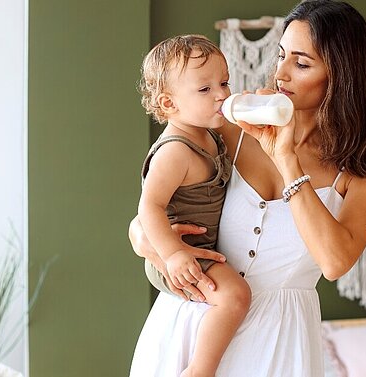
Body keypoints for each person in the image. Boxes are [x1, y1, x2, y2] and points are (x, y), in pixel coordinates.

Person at [129, 1, 366, 375]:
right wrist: (153, 243)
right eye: (280, 56)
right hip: (191, 324)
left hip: (279, 343)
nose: (281, 74)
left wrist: (287, 159)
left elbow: (335, 262)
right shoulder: (232, 126)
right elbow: (151, 209)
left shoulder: (364, 168)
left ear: (342, 76)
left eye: (301, 63)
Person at [135, 34, 252, 377]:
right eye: (205, 89)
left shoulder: (210, 134)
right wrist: (173, 254)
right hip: (179, 255)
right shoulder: (175, 151)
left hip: (196, 250)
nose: (221, 94)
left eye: (224, 82)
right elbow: (149, 207)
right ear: (169, 104)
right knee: (235, 296)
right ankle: (200, 370)